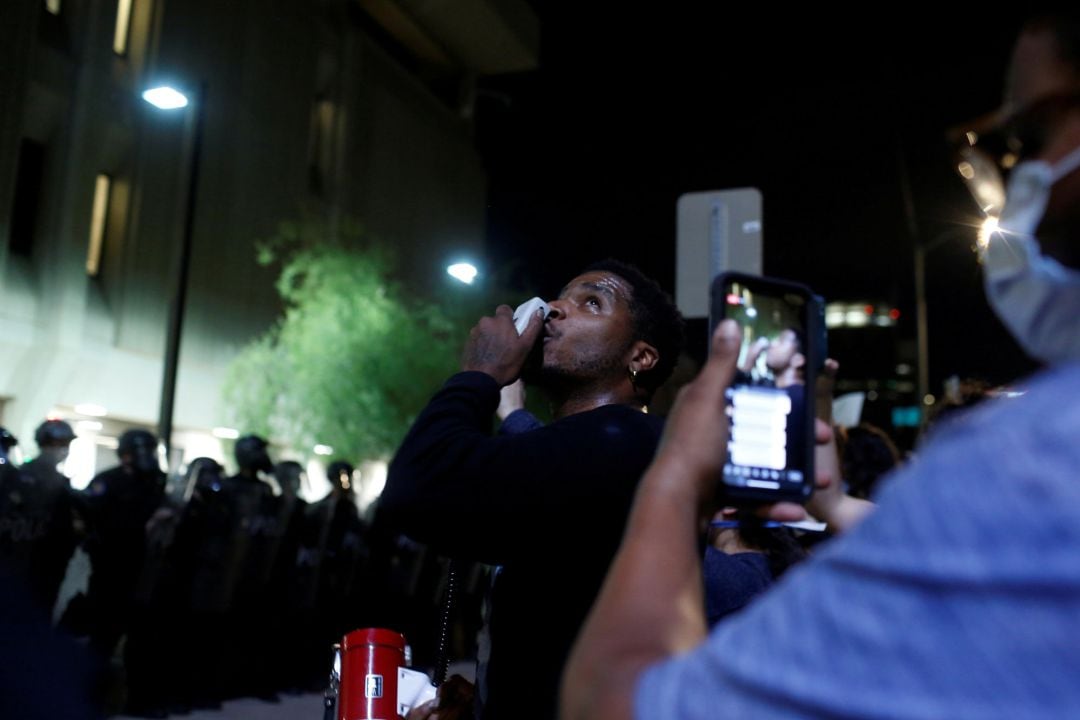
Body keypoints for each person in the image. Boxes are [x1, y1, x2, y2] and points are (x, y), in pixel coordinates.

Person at [560, 13, 1080, 719]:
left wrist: (678, 479)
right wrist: (830, 506)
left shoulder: (1032, 461)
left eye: (1025, 139)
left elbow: (611, 703)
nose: (1023, 187)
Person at [381, 259, 684, 720]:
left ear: (640, 357)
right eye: (561, 296)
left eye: (592, 302)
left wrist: (479, 374)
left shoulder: (624, 440)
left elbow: (418, 484)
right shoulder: (578, 450)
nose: (557, 309)